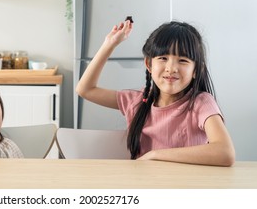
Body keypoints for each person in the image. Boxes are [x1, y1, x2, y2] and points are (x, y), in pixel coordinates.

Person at [76, 19, 235, 166]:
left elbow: (225, 152)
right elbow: (85, 89)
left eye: (183, 60)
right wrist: (109, 44)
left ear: (196, 70)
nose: (171, 68)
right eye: (163, 58)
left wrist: (155, 155)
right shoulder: (136, 101)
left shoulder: (201, 102)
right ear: (149, 64)